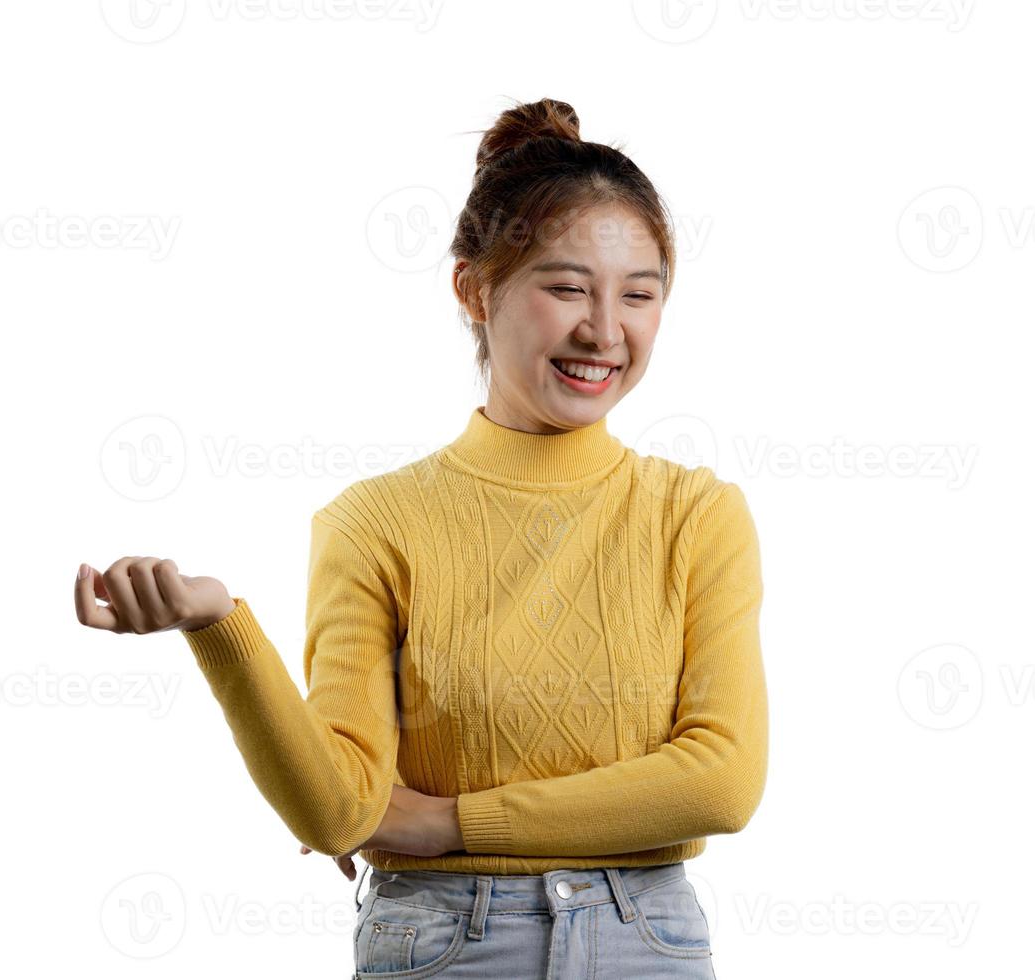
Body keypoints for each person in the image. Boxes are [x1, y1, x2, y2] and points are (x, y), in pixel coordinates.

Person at [73, 96, 767, 979]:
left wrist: (447, 822)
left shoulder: (696, 515)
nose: (604, 330)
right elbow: (338, 812)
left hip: (649, 940)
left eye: (639, 293)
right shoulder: (375, 523)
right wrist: (219, 627)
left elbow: (721, 781)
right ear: (474, 288)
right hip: (448, 942)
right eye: (565, 287)